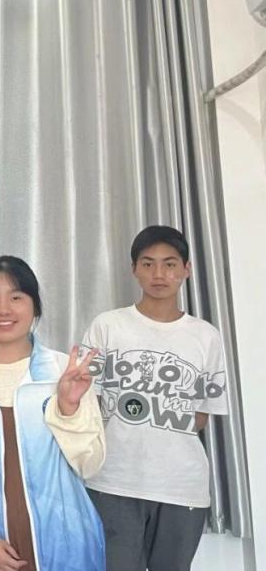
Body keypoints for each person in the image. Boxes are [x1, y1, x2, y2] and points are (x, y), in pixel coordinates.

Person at [0, 256, 105, 571]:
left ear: (34, 306)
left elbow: (90, 465)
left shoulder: (64, 372)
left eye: (16, 297)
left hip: (66, 543)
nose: (3, 309)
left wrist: (68, 410)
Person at [82, 226, 229, 571]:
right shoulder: (108, 326)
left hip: (181, 486)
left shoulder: (206, 336)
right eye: (148, 264)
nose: (159, 274)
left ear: (186, 269)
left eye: (170, 264)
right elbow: (88, 402)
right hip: (113, 482)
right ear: (134, 269)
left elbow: (202, 414)